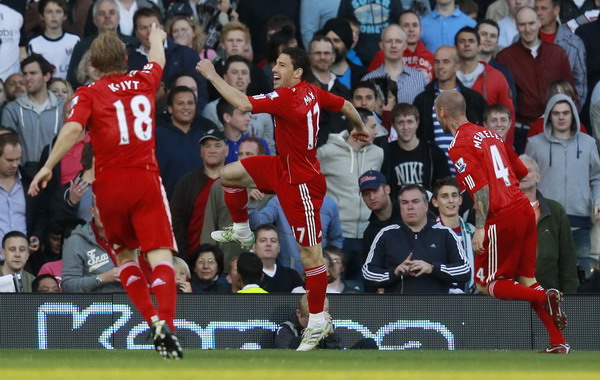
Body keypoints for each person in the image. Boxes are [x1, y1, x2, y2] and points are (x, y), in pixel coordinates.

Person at [196, 46, 369, 351]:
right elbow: (343, 103)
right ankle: (241, 229)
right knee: (229, 175)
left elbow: (241, 102)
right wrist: (359, 126)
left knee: (311, 257)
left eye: (282, 64)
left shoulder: (287, 98)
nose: (274, 69)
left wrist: (212, 75)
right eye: (275, 62)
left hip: (301, 183)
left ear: (297, 73)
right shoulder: (312, 92)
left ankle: (317, 319)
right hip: (282, 166)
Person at [28, 27, 182, 359]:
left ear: (94, 64)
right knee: (160, 258)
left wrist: (48, 166)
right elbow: (158, 58)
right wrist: (156, 36)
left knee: (125, 258)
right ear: (126, 60)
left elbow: (72, 128)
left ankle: (152, 319)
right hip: (145, 181)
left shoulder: (88, 92)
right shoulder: (144, 81)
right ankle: (166, 324)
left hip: (110, 187)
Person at [437, 89, 570, 354]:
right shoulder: (490, 134)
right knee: (527, 278)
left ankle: (545, 297)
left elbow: (481, 189)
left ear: (443, 113)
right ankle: (558, 341)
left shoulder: (458, 144)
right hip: (523, 208)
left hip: (501, 216)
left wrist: (481, 226)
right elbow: (520, 171)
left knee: (486, 283)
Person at [525, 94, 600, 260]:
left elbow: (597, 177)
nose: (561, 117)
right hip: (545, 221)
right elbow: (525, 180)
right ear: (549, 116)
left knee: (582, 277)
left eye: (565, 113)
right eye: (556, 113)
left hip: (580, 222)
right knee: (546, 277)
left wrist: (598, 200)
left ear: (573, 115)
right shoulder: (535, 144)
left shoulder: (588, 143)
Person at [362, 184, 470, 293]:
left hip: (436, 308)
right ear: (400, 207)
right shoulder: (386, 234)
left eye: (415, 201)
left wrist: (432, 268)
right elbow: (368, 273)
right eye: (404, 202)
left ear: (426, 206)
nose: (410, 207)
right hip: (398, 308)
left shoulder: (444, 233)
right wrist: (394, 273)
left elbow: (465, 270)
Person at [496, 7, 576, 153]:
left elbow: (570, 92)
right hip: (522, 131)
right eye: (522, 24)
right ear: (516, 26)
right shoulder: (505, 58)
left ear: (539, 23)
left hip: (555, 128)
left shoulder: (557, 53)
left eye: (531, 23)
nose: (527, 29)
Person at [318, 109, 383, 283]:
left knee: (362, 291)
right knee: (334, 288)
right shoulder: (327, 153)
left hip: (367, 234)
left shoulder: (378, 153)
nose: (377, 132)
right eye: (373, 127)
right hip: (339, 237)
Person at [413, 46, 487, 175]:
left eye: (446, 61)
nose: (440, 66)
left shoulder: (473, 99)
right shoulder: (422, 100)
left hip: (471, 174)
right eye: (437, 62)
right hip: (435, 175)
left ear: (457, 66)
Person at [519, 155, 578, 293]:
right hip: (514, 294)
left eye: (528, 170)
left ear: (538, 177)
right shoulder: (502, 211)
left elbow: (567, 257)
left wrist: (569, 295)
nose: (523, 174)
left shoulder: (555, 210)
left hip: (549, 292)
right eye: (518, 170)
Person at [2, 54, 65, 178]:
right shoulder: (12, 109)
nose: (27, 78)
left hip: (55, 175)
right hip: (21, 176)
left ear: (47, 76)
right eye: (25, 74)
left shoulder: (62, 108)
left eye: (33, 73)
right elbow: (6, 146)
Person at [170, 129, 228, 258]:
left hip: (230, 259)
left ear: (227, 150)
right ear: (201, 152)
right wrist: (182, 256)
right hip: (193, 257)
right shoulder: (187, 183)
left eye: (217, 146)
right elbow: (176, 221)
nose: (212, 150)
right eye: (207, 146)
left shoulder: (238, 181)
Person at [454, 26, 516, 146]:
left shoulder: (496, 76)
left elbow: (509, 116)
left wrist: (506, 151)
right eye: (462, 41)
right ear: (455, 47)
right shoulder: (448, 78)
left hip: (488, 147)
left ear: (479, 46)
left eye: (471, 41)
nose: (467, 44)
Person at [202, 56, 276, 153]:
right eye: (234, 72)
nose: (240, 77)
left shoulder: (263, 111)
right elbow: (209, 143)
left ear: (249, 78)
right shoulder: (212, 109)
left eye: (244, 73)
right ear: (225, 77)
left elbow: (270, 149)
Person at [67, 0, 138, 89]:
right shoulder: (82, 46)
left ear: (119, 17)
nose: (107, 16)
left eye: (112, 12)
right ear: (94, 20)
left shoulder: (133, 44)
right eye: (101, 13)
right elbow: (72, 81)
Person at [383, 103, 450, 197]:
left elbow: (445, 186)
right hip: (397, 209)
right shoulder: (386, 153)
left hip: (428, 209)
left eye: (409, 122)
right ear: (393, 124)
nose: (405, 127)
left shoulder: (433, 152)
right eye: (400, 122)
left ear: (417, 122)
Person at [61, 200, 122, 293]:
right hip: (96, 305)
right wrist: (102, 278)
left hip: (133, 303)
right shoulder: (76, 242)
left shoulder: (128, 237)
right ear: (92, 212)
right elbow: (68, 286)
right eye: (100, 209)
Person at [535, 0, 587, 109]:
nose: (538, 13)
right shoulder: (523, 40)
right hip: (530, 116)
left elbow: (580, 84)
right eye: (536, 9)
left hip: (563, 115)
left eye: (544, 8)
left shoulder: (573, 43)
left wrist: (572, 113)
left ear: (556, 10)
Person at [0, 133, 46, 256]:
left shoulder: (30, 181)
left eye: (18, 159)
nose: (15, 164)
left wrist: (36, 235)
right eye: (9, 160)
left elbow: (42, 213)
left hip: (25, 259)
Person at [156, 86, 205, 198]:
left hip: (200, 205)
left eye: (190, 103)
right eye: (180, 103)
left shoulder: (202, 136)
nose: (186, 107)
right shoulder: (159, 135)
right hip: (169, 202)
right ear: (170, 109)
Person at [431, 177, 476, 292]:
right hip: (442, 297)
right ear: (435, 202)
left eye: (454, 195)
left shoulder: (473, 231)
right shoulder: (429, 233)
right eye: (444, 196)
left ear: (460, 200)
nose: (451, 200)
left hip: (473, 296)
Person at [27, 0, 80, 80]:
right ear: (42, 16)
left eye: (58, 12)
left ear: (65, 16)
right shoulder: (34, 43)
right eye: (49, 12)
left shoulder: (75, 40)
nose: (54, 16)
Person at [358, 170, 400, 267]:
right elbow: (369, 269)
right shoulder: (369, 233)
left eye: (375, 191)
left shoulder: (408, 213)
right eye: (366, 194)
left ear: (387, 189)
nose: (371, 197)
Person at [252, 224, 304, 293]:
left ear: (279, 247)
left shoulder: (291, 275)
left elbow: (300, 301)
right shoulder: (248, 275)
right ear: (254, 247)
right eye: (263, 240)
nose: (268, 244)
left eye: (273, 241)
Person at [217, 98, 271, 163]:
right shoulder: (215, 146)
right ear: (227, 117)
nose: (248, 118)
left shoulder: (259, 143)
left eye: (248, 114)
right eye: (242, 114)